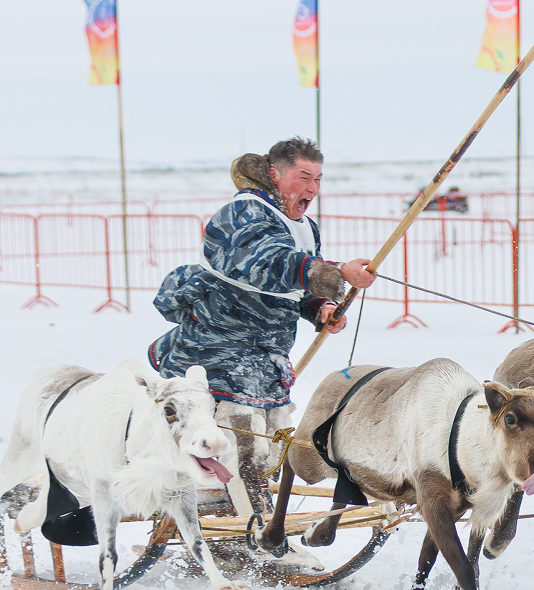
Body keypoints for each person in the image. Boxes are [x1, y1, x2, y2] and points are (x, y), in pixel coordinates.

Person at [148, 136, 375, 418]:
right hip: (214, 361)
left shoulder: (305, 227)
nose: (312, 188)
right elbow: (267, 263)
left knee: (266, 454)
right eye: (303, 177)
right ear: (274, 174)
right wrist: (337, 272)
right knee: (223, 454)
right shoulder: (244, 212)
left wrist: (319, 308)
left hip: (265, 364)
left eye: (318, 179)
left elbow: (291, 289)